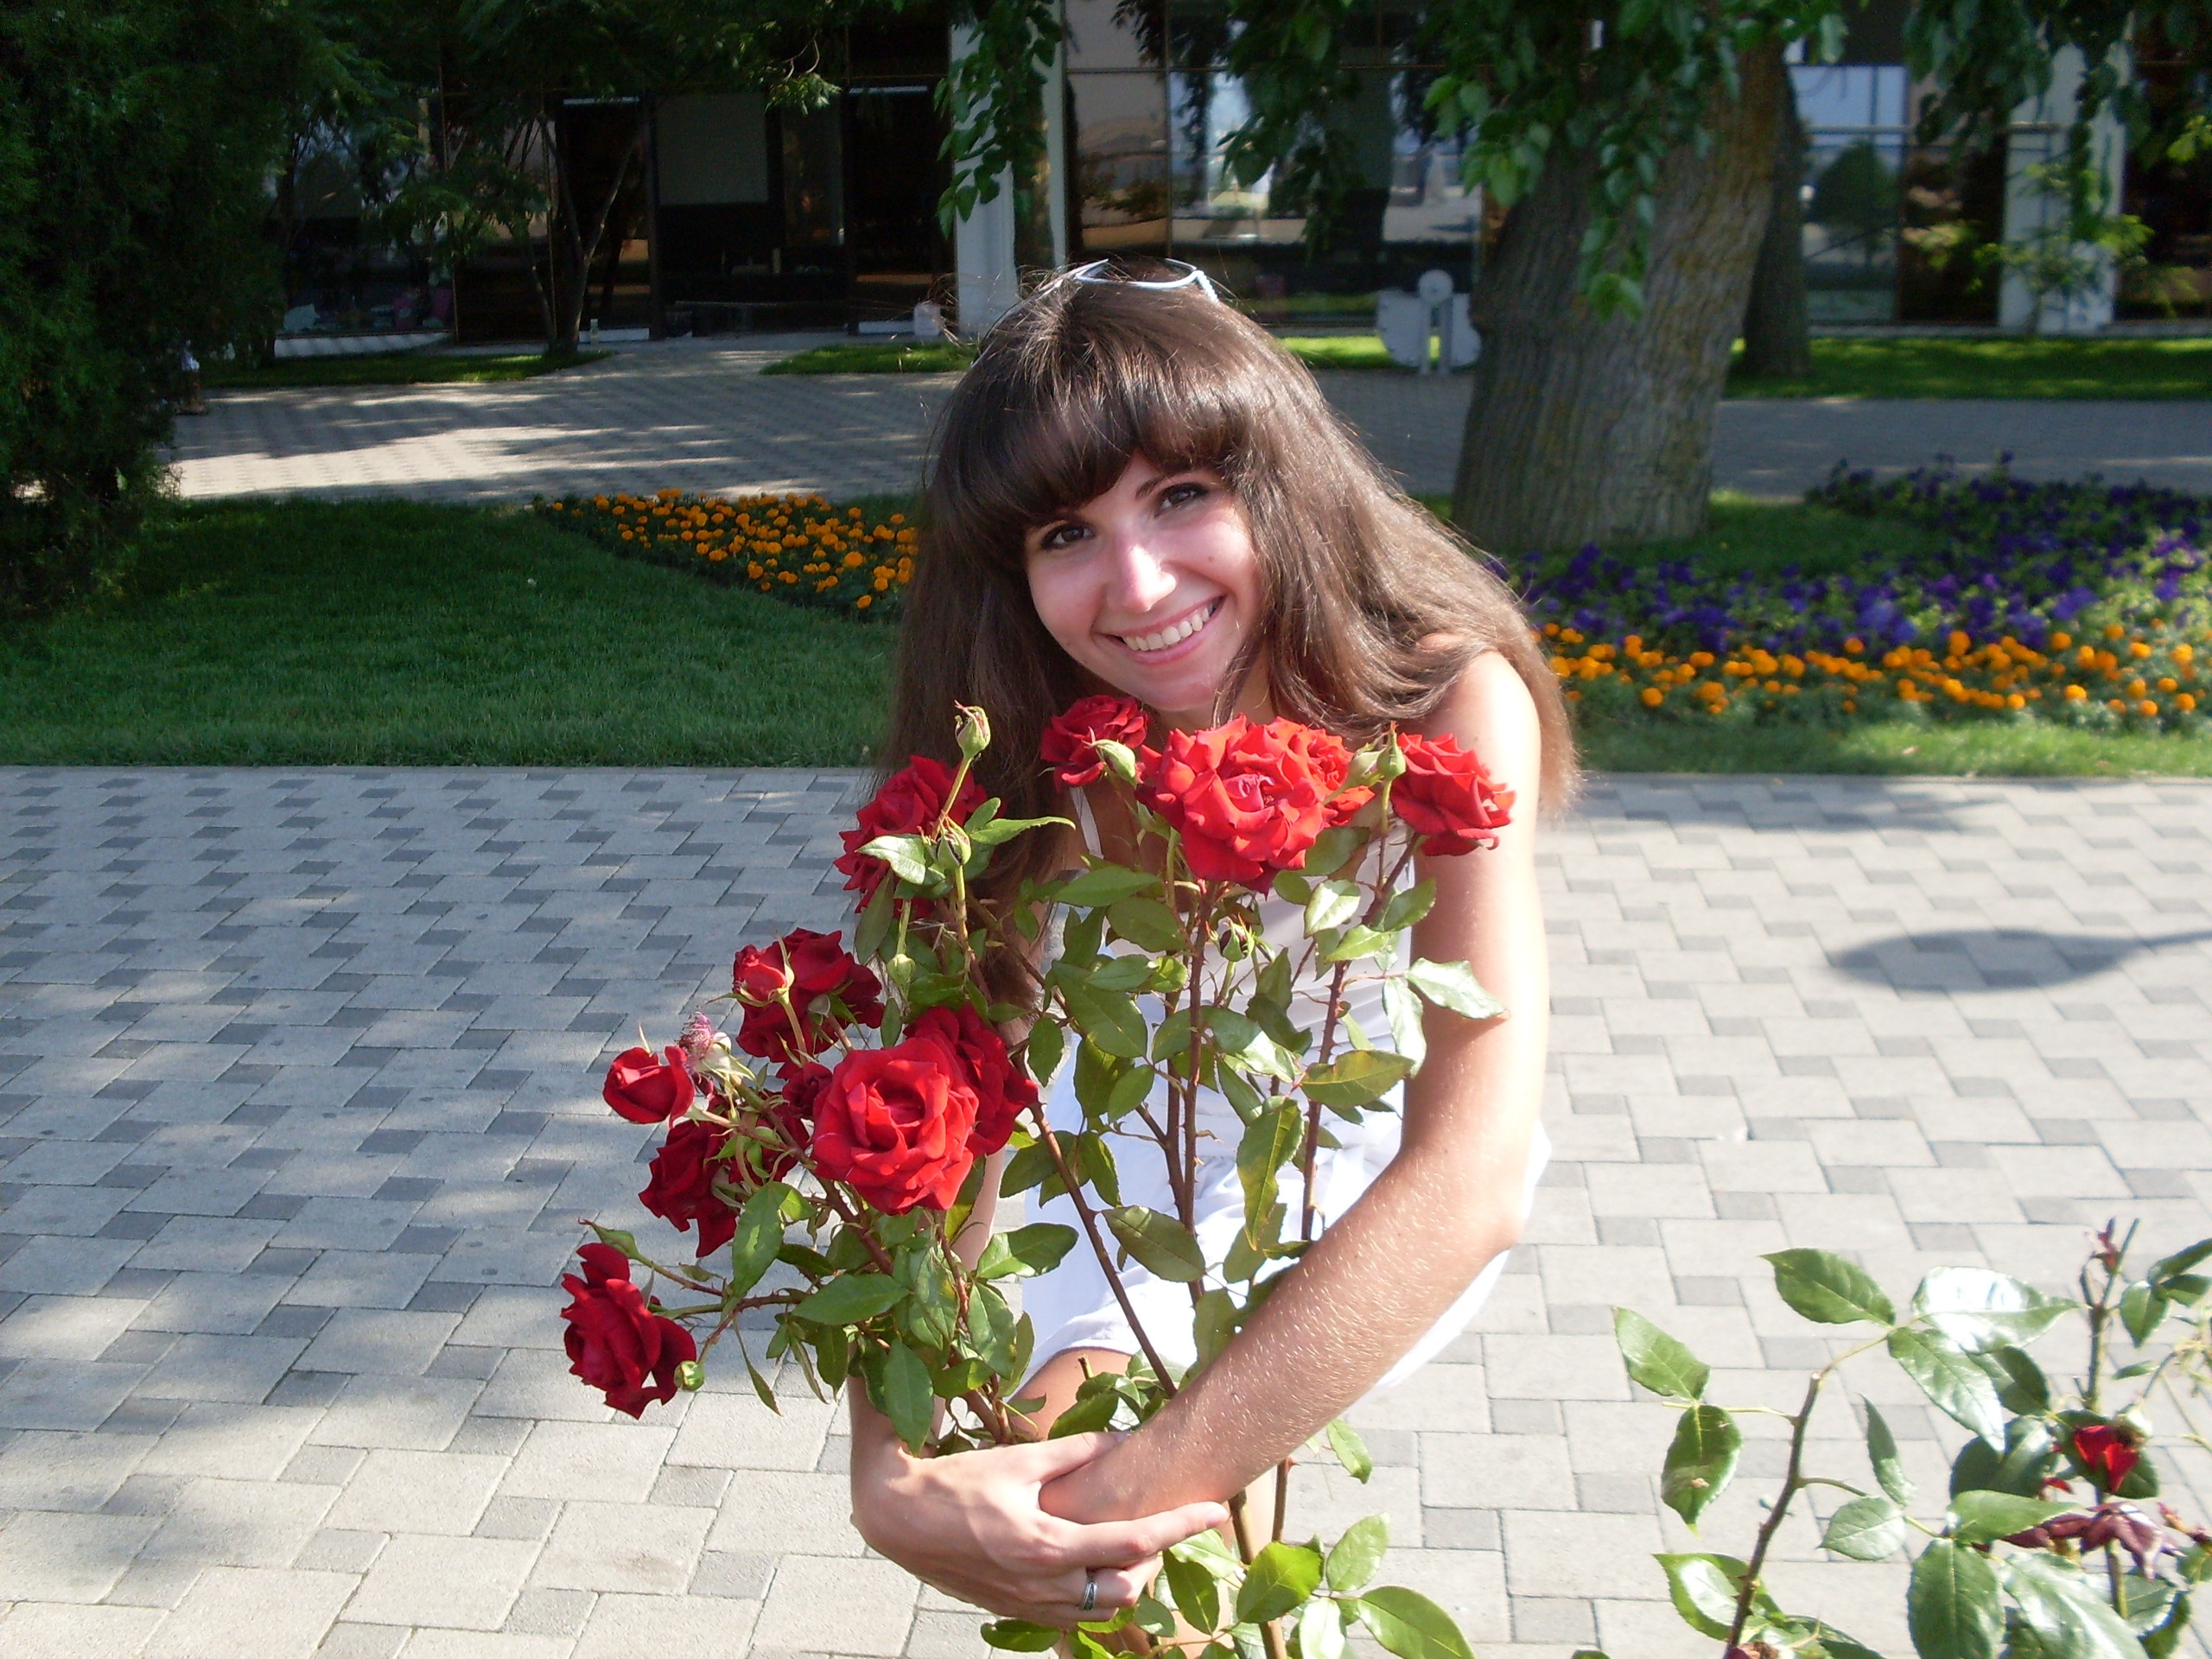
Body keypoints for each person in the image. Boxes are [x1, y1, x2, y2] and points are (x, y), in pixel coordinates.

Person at [848, 257, 1572, 1630]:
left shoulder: (1443, 698)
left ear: (1279, 483)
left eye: (1182, 495)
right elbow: (947, 1114)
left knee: (1115, 1531)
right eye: (1065, 532)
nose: (1137, 582)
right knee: (1059, 1481)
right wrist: (889, 1472)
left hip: (1344, 1128)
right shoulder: (1025, 738)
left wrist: (1126, 1498)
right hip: (1105, 1134)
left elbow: (1472, 1174)